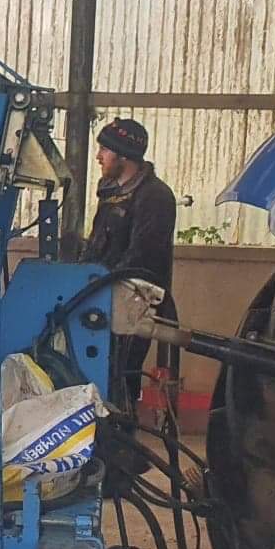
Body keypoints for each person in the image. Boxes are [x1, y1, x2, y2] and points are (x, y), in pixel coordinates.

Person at [81, 117, 177, 405]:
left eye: (105, 150)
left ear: (124, 155)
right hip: (102, 298)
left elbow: (142, 257)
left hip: (133, 304)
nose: (99, 156)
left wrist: (100, 283)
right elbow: (97, 243)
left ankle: (123, 433)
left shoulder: (155, 197)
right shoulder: (110, 190)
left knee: (121, 376)